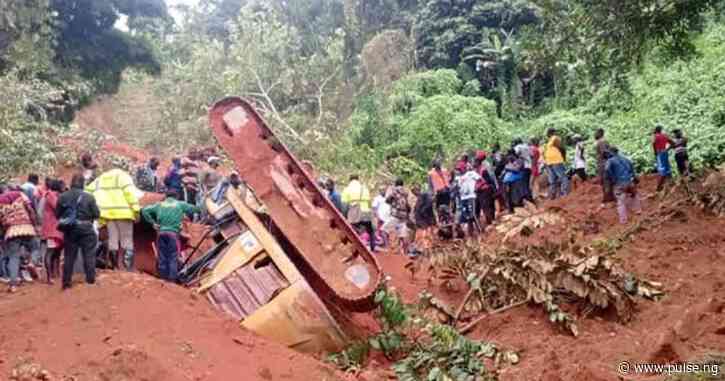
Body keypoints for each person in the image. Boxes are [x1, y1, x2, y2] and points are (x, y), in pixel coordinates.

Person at [86, 169, 141, 271]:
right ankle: (127, 268)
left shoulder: (101, 178)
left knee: (113, 241)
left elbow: (87, 191)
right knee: (126, 240)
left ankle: (115, 267)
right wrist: (136, 210)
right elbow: (130, 194)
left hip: (108, 215)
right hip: (124, 214)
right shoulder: (123, 177)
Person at [141, 189, 200, 281]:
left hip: (161, 234)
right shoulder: (179, 204)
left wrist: (152, 223)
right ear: (176, 196)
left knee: (162, 257)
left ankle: (162, 279)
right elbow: (196, 209)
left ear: (166, 196)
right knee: (173, 257)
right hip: (173, 234)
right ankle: (172, 281)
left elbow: (144, 210)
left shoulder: (159, 205)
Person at [57, 174, 100, 289]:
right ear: (83, 184)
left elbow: (58, 214)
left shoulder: (63, 196)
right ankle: (90, 280)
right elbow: (97, 214)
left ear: (71, 183)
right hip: (86, 228)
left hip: (70, 230)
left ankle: (66, 283)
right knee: (89, 255)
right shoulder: (89, 197)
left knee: (69, 256)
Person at [0, 187, 39, 293]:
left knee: (14, 257)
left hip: (11, 231)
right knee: (35, 248)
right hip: (26, 227)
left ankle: (13, 285)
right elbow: (30, 210)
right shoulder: (20, 194)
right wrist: (35, 225)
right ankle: (32, 262)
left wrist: (4, 234)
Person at [604, 148, 641, 224]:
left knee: (621, 202)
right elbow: (632, 169)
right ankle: (638, 210)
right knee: (634, 195)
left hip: (619, 183)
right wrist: (633, 177)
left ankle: (623, 220)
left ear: (611, 152)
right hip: (629, 182)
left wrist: (612, 178)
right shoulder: (625, 159)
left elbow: (607, 169)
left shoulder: (610, 160)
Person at [341, 175, 375, 252]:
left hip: (355, 213)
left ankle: (355, 248)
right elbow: (369, 203)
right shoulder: (364, 188)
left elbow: (344, 205)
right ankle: (372, 248)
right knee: (371, 231)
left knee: (352, 231)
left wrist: (344, 216)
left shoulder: (347, 189)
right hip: (366, 212)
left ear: (350, 180)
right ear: (357, 180)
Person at [41, 179, 64, 284]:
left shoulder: (52, 195)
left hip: (55, 228)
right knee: (50, 251)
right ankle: (49, 276)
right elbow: (58, 208)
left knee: (56, 252)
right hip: (52, 228)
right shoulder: (51, 195)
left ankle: (55, 273)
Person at [383, 179, 411, 254]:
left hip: (395, 214)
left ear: (395, 184)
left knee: (384, 230)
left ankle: (387, 248)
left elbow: (387, 201)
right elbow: (408, 205)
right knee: (403, 234)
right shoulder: (406, 192)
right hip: (404, 215)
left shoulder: (394, 191)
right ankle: (405, 252)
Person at [543, 128, 570, 199]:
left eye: (548, 133)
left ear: (551, 133)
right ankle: (553, 195)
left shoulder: (555, 138)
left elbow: (562, 148)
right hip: (550, 162)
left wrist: (564, 158)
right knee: (552, 179)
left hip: (556, 161)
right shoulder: (549, 141)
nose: (547, 134)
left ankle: (564, 193)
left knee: (562, 177)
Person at [456, 164, 482, 237]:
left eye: (460, 169)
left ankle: (480, 231)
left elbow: (480, 179)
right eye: (458, 169)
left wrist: (475, 188)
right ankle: (470, 233)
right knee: (467, 216)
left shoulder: (471, 173)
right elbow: (459, 188)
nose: (459, 170)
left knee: (473, 214)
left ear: (464, 168)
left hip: (471, 196)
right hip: (463, 198)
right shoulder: (458, 178)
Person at [473, 151, 497, 225]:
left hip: (485, 190)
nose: (474, 163)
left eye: (475, 161)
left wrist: (480, 186)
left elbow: (488, 180)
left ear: (479, 161)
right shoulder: (477, 169)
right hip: (480, 190)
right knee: (485, 206)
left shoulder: (484, 169)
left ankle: (490, 222)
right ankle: (489, 221)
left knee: (486, 206)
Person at [595, 128, 615, 204]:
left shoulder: (601, 142)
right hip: (604, 163)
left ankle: (608, 198)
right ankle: (609, 197)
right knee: (606, 180)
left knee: (605, 180)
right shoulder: (602, 141)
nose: (595, 134)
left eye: (596, 132)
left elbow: (605, 152)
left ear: (600, 133)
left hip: (603, 164)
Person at [411, 185, 435, 249]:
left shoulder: (424, 195)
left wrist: (423, 211)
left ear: (418, 190)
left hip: (426, 218)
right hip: (421, 218)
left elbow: (429, 203)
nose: (414, 193)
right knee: (422, 232)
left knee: (426, 232)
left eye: (414, 191)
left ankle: (427, 246)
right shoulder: (419, 197)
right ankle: (422, 246)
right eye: (413, 192)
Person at [652, 124, 674, 191]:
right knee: (668, 168)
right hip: (665, 152)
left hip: (660, 153)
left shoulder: (655, 136)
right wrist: (667, 149)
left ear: (656, 130)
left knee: (662, 170)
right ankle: (672, 184)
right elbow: (673, 143)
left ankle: (659, 187)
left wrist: (655, 153)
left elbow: (653, 143)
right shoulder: (665, 136)